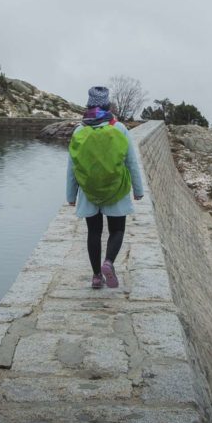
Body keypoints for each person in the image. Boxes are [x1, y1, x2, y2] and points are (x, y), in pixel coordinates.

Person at [66, 85, 144, 289]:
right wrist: (138, 189)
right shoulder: (119, 129)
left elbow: (72, 165)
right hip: (116, 189)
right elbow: (131, 162)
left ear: (88, 105)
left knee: (93, 232)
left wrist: (71, 194)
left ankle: (96, 276)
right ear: (108, 104)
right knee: (117, 230)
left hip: (89, 191)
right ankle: (109, 262)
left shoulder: (80, 130)